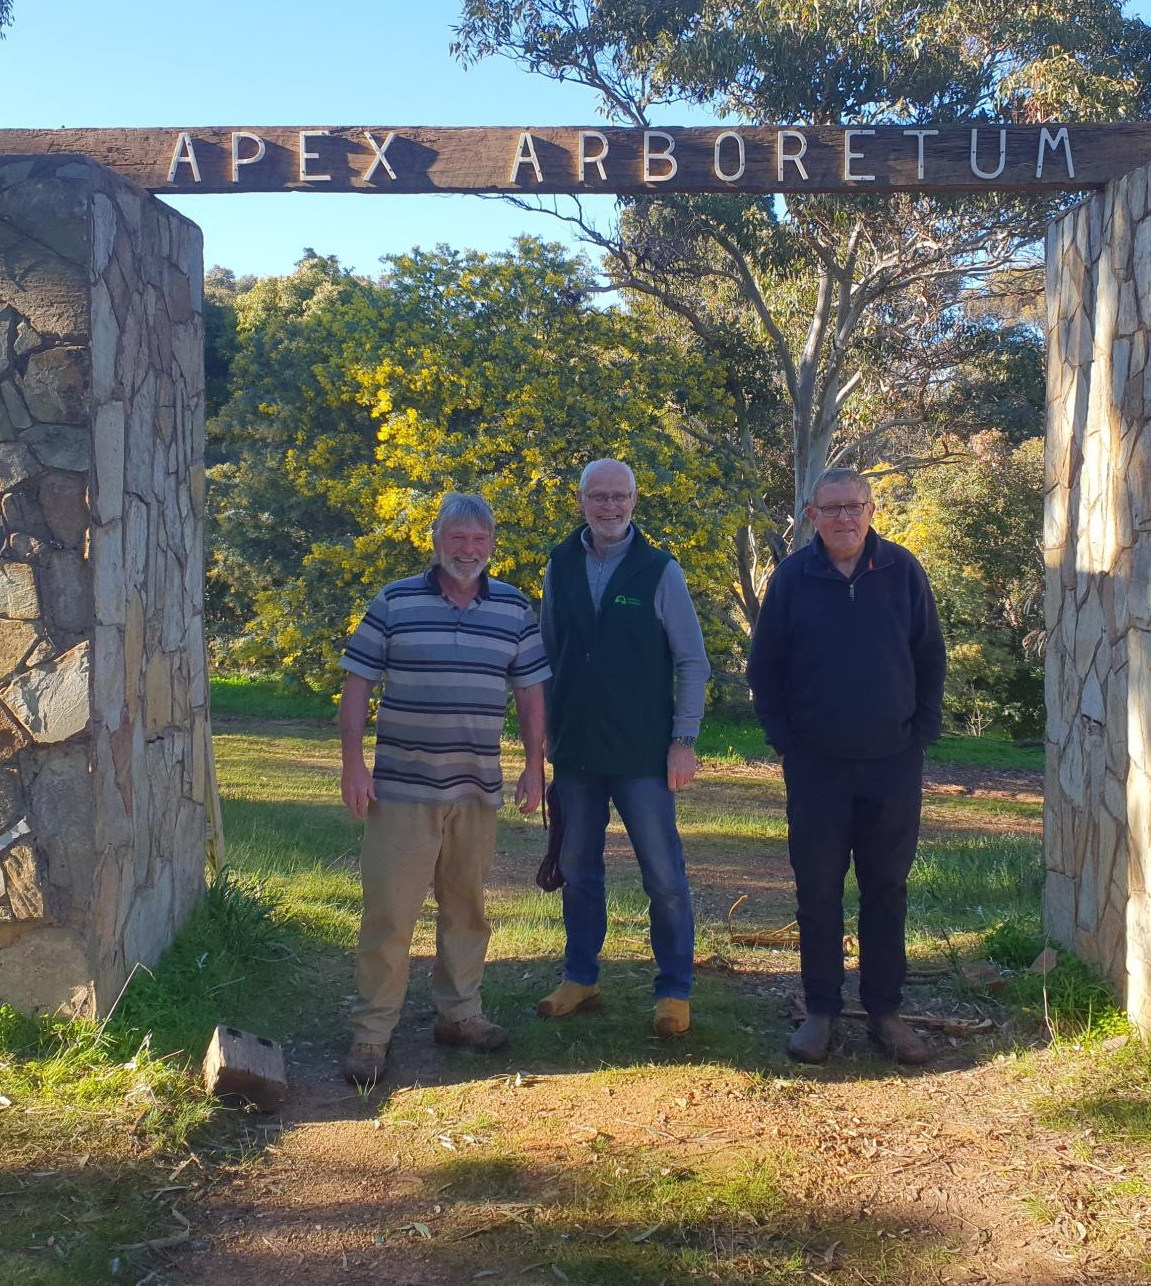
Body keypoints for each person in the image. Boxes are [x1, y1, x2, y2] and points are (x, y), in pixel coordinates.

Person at [337, 493, 549, 1087]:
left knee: (467, 910)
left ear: (492, 546)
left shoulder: (513, 608)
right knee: (390, 914)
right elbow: (357, 684)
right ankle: (372, 1033)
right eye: (458, 538)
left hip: (477, 790)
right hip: (402, 790)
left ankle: (460, 1015)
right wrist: (354, 765)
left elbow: (531, 694)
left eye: (480, 541)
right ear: (436, 541)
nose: (469, 550)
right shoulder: (396, 599)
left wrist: (535, 767)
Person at [747, 467, 946, 1065]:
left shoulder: (902, 571)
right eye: (831, 509)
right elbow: (765, 670)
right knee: (819, 891)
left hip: (892, 765)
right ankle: (821, 1012)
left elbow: (930, 656)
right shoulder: (792, 578)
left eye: (854, 506)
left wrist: (920, 736)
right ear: (812, 515)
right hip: (817, 769)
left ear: (871, 509)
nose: (844, 518)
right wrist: (789, 743)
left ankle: (886, 1012)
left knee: (886, 888)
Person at [536, 458, 711, 1040]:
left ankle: (673, 990)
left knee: (663, 875)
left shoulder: (660, 571)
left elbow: (691, 661)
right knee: (578, 868)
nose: (610, 508)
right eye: (599, 497)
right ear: (581, 501)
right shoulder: (559, 565)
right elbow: (544, 658)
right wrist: (539, 745)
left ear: (635, 501)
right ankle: (580, 976)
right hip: (577, 751)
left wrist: (684, 740)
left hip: (643, 753)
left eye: (621, 497)